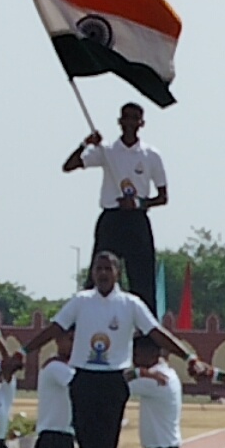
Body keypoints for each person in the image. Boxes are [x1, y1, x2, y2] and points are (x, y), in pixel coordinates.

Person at [14, 251, 200, 448]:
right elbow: (55, 328)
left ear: (117, 273)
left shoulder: (130, 304)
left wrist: (189, 356)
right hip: (84, 380)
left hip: (113, 382)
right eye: (98, 269)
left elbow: (156, 332)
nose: (102, 273)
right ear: (92, 273)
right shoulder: (81, 301)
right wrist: (24, 351)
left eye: (107, 269)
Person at [61, 102, 168, 312]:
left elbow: (163, 197)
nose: (130, 123)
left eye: (135, 118)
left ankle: (146, 328)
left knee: (142, 279)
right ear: (119, 121)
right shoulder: (107, 151)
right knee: (99, 272)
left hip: (137, 220)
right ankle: (86, 317)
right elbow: (69, 166)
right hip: (111, 219)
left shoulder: (151, 155)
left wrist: (138, 203)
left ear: (142, 123)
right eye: (126, 118)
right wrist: (86, 143)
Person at [33, 330, 78, 448]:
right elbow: (80, 384)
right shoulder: (55, 367)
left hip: (64, 437)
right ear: (58, 340)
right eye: (70, 339)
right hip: (53, 437)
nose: (74, 344)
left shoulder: (67, 366)